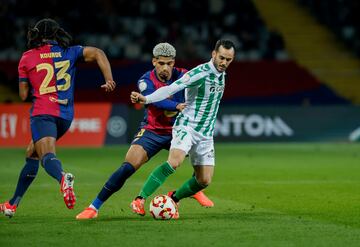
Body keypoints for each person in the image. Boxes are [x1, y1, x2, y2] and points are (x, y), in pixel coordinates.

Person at [76, 42, 213, 220]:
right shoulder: (145, 80)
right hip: (153, 131)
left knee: (201, 164)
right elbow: (154, 101)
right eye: (161, 63)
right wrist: (176, 105)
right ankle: (93, 207)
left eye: (169, 63)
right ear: (154, 61)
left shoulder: (184, 75)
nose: (166, 68)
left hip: (180, 130)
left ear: (174, 62)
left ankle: (193, 190)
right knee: (127, 166)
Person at [0, 18, 116, 218]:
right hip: (65, 116)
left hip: (43, 113)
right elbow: (98, 53)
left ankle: (63, 178)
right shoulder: (70, 51)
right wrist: (109, 80)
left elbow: (22, 95)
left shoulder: (27, 57)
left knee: (45, 156)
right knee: (32, 153)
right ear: (57, 34)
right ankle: (12, 204)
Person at [130, 39, 235, 219]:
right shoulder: (199, 73)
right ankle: (140, 198)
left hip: (206, 134)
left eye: (228, 59)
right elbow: (170, 88)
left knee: (204, 180)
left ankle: (174, 198)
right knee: (174, 162)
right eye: (222, 58)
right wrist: (146, 99)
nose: (224, 63)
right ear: (213, 54)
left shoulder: (221, 75)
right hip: (187, 126)